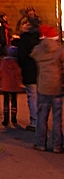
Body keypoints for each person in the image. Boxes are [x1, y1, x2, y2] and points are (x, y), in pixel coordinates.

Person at [31, 24, 64, 153]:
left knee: (42, 117)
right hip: (57, 88)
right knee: (57, 118)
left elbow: (32, 57)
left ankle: (40, 144)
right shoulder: (60, 50)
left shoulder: (38, 50)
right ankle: (57, 145)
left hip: (43, 87)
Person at [17, 18, 40, 131]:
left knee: (32, 96)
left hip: (29, 72)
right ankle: (41, 121)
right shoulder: (40, 40)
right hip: (41, 72)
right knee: (41, 98)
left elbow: (20, 57)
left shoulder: (24, 40)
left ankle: (34, 122)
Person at [0, 45, 24, 126]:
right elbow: (19, 73)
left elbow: (0, 71)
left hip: (6, 83)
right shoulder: (17, 63)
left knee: (5, 100)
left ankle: (6, 118)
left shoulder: (3, 62)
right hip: (14, 84)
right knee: (14, 100)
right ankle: (13, 117)